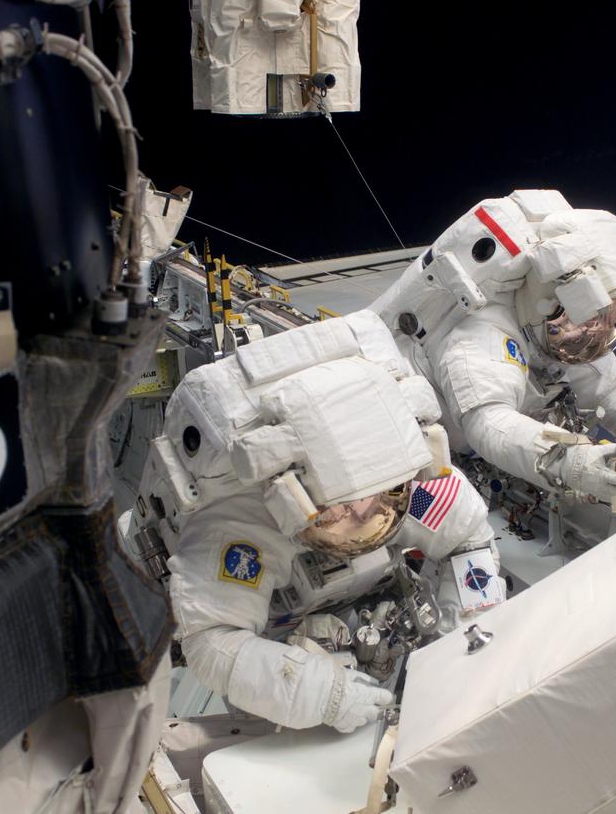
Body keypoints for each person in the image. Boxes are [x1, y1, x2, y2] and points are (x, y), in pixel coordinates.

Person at [133, 310, 503, 732]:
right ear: (294, 497)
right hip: (280, 646)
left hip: (372, 619)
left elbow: (469, 538)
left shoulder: (411, 482)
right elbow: (213, 640)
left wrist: (464, 636)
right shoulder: (243, 523)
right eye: (341, 512)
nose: (364, 517)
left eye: (376, 504)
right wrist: (323, 696)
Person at [369, 190, 616, 544]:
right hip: (426, 460)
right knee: (460, 539)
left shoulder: (563, 337)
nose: (593, 337)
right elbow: (489, 423)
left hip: (489, 453)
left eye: (607, 323)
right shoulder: (482, 335)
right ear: (546, 301)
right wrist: (571, 464)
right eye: (587, 321)